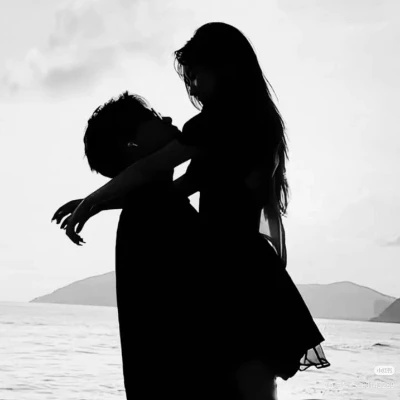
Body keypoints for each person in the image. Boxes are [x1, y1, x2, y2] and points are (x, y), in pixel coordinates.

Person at [62, 22, 330, 400]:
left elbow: (154, 172)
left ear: (225, 69)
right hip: (244, 267)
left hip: (234, 267)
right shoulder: (249, 126)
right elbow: (169, 187)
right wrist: (100, 202)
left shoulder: (221, 124)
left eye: (196, 77)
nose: (193, 90)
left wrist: (94, 201)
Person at [52, 92, 204, 399]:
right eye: (152, 118)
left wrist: (97, 202)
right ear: (131, 144)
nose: (167, 119)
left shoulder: (150, 209)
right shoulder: (157, 218)